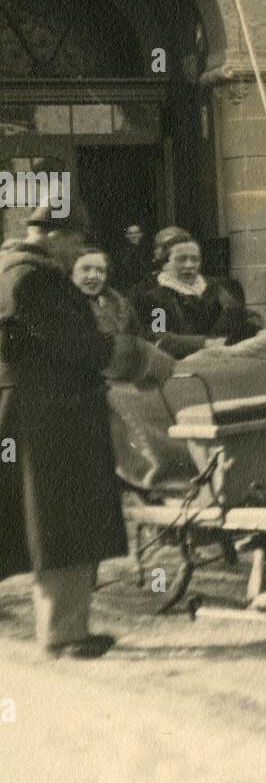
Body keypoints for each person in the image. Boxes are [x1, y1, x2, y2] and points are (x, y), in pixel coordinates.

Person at [0, 207, 144, 658]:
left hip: (30, 408)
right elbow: (79, 345)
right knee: (63, 523)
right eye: (77, 244)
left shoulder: (9, 271)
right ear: (54, 236)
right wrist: (135, 358)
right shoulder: (36, 280)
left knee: (41, 522)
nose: (79, 254)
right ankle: (64, 635)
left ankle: (62, 629)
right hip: (55, 416)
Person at [131, 226, 261, 360]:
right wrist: (204, 343)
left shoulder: (222, 288)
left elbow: (247, 317)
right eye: (181, 259)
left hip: (227, 362)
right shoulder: (155, 297)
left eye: (195, 259)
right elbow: (159, 337)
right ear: (165, 263)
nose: (189, 265)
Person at [72, 246, 141, 339]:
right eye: (86, 269)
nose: (93, 276)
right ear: (71, 272)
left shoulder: (123, 307)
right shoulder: (62, 308)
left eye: (100, 271)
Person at [112, 223, 151, 294]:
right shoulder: (122, 253)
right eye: (130, 233)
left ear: (141, 234)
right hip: (131, 287)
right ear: (126, 236)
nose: (133, 235)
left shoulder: (147, 250)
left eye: (136, 232)